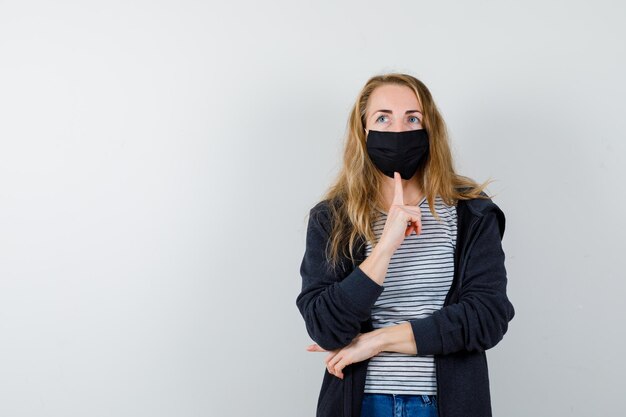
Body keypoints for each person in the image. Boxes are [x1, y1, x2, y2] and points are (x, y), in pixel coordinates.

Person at [295, 72, 515, 417]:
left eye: (413, 118)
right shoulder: (333, 217)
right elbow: (326, 326)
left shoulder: (471, 212)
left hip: (445, 405)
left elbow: (487, 317)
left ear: (431, 131)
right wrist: (386, 246)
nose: (399, 131)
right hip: (361, 403)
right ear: (363, 131)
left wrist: (375, 341)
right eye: (383, 118)